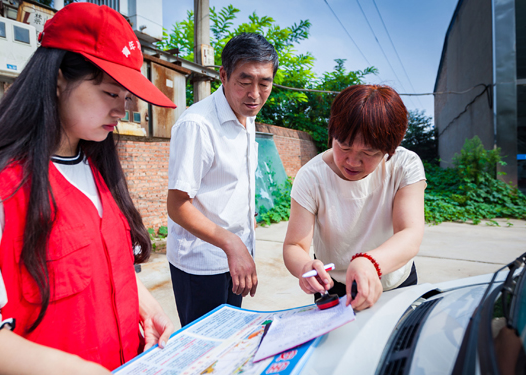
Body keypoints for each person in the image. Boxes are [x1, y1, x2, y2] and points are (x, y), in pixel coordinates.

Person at [0, 4, 174, 374]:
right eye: (110, 93)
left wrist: (145, 305)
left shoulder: (98, 171)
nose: (123, 109)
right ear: (58, 79)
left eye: (127, 97)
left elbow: (100, 267)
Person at [166, 33, 278, 326]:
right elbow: (177, 205)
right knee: (205, 352)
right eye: (244, 81)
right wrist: (232, 244)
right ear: (223, 75)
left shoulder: (248, 117)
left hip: (235, 257)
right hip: (202, 263)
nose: (255, 93)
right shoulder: (197, 125)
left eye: (264, 82)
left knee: (228, 343)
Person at [283, 84, 426, 311]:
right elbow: (294, 245)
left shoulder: (405, 165)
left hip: (395, 281)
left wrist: (370, 262)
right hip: (336, 288)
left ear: (389, 150)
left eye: (368, 153)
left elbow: (410, 233)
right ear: (332, 135)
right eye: (344, 147)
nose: (352, 161)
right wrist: (305, 266)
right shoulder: (311, 176)